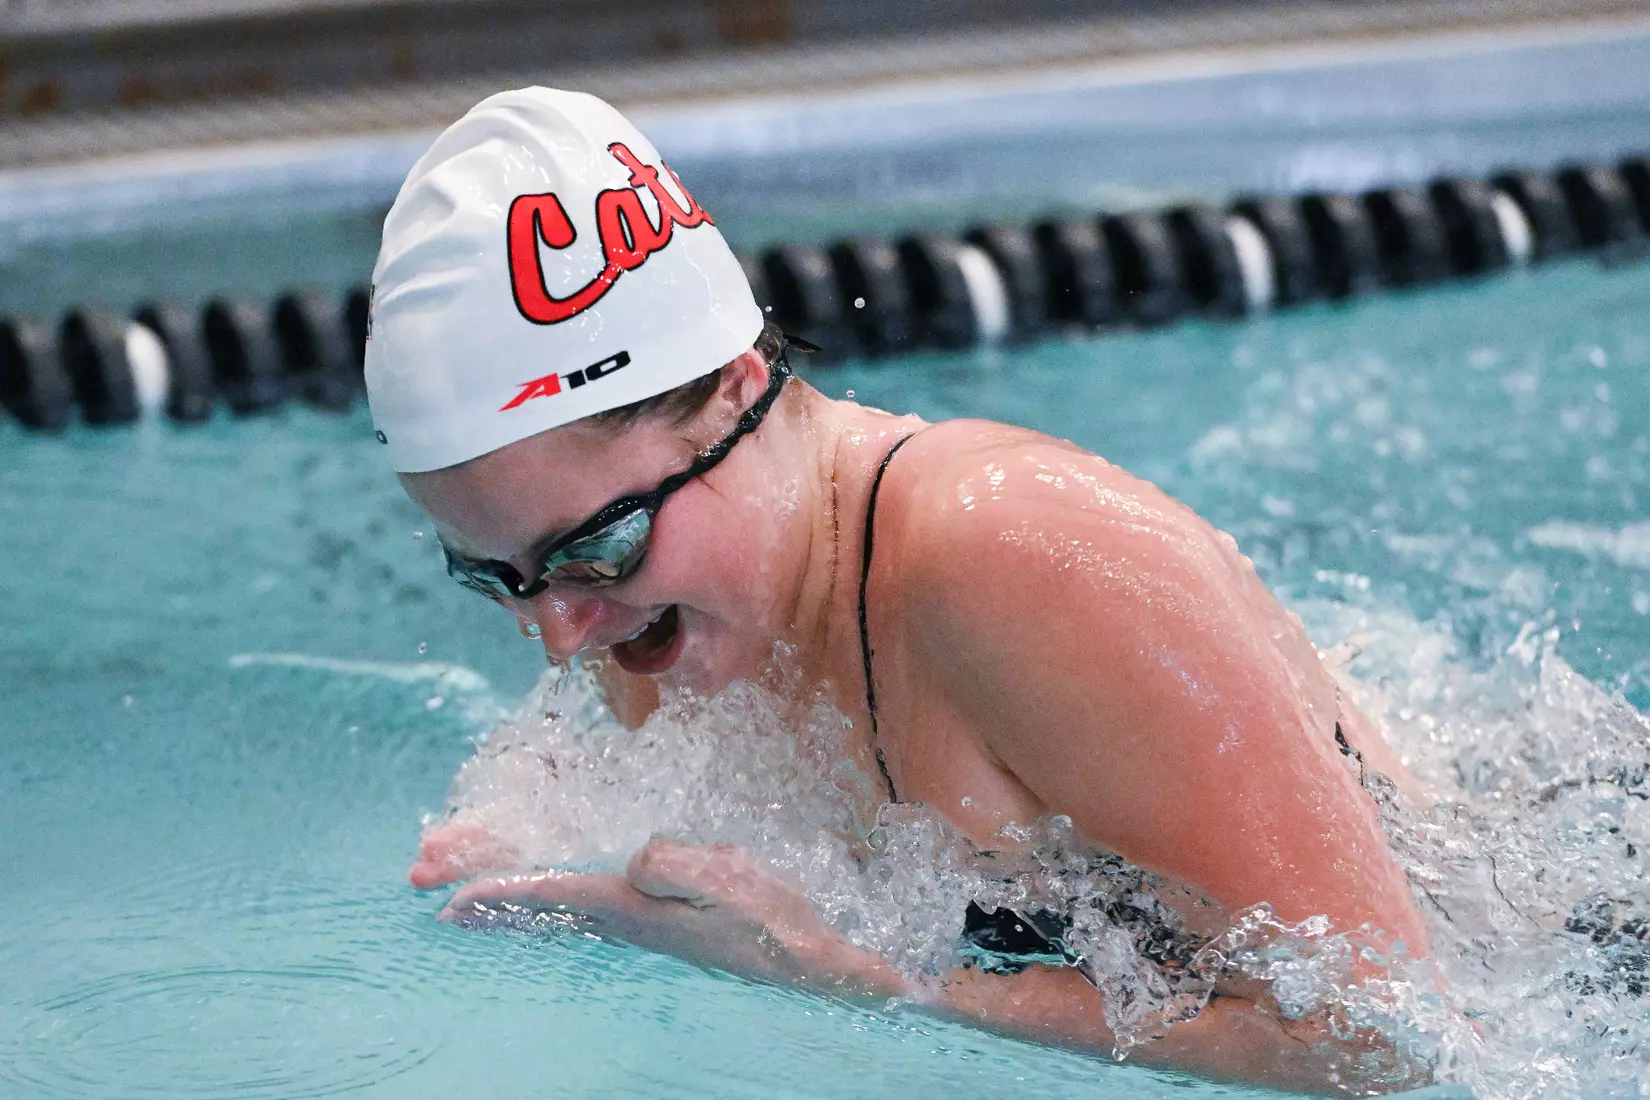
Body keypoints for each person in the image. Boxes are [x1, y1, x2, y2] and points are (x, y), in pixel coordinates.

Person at [366, 87, 1432, 1094]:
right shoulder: (659, 623)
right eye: (498, 576)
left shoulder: (1023, 558)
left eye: (602, 546)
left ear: (741, 384)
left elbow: (1385, 1037)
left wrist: (869, 980)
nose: (559, 634)